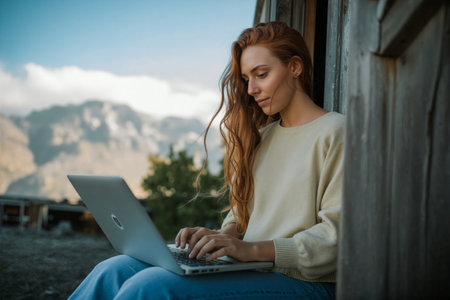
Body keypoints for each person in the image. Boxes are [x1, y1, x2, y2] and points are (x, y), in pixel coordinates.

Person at [69, 21, 344, 300]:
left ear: (295, 67)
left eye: (261, 74)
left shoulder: (336, 133)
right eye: (247, 79)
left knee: (152, 286)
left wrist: (251, 250)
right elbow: (242, 216)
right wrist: (219, 239)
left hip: (304, 282)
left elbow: (337, 237)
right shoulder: (263, 137)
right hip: (250, 269)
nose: (251, 89)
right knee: (113, 269)